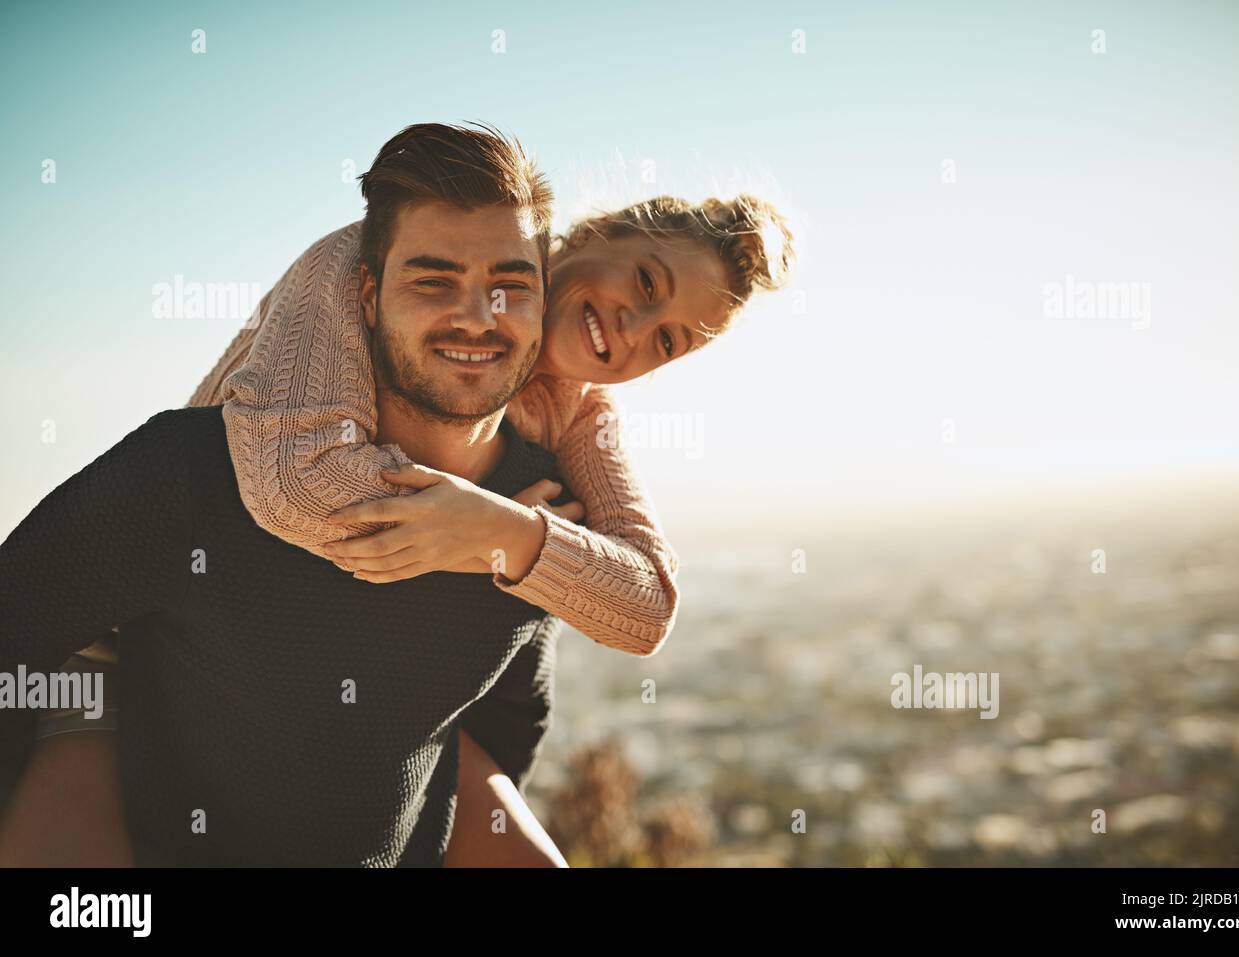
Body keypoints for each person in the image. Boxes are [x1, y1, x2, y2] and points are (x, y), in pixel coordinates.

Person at [2, 123, 796, 866]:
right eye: (648, 282)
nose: (636, 323)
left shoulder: (568, 429)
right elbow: (296, 487)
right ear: (586, 239)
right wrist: (475, 534)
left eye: (668, 340)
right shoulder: (353, 263)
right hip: (124, 635)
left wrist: (508, 535)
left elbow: (637, 607)